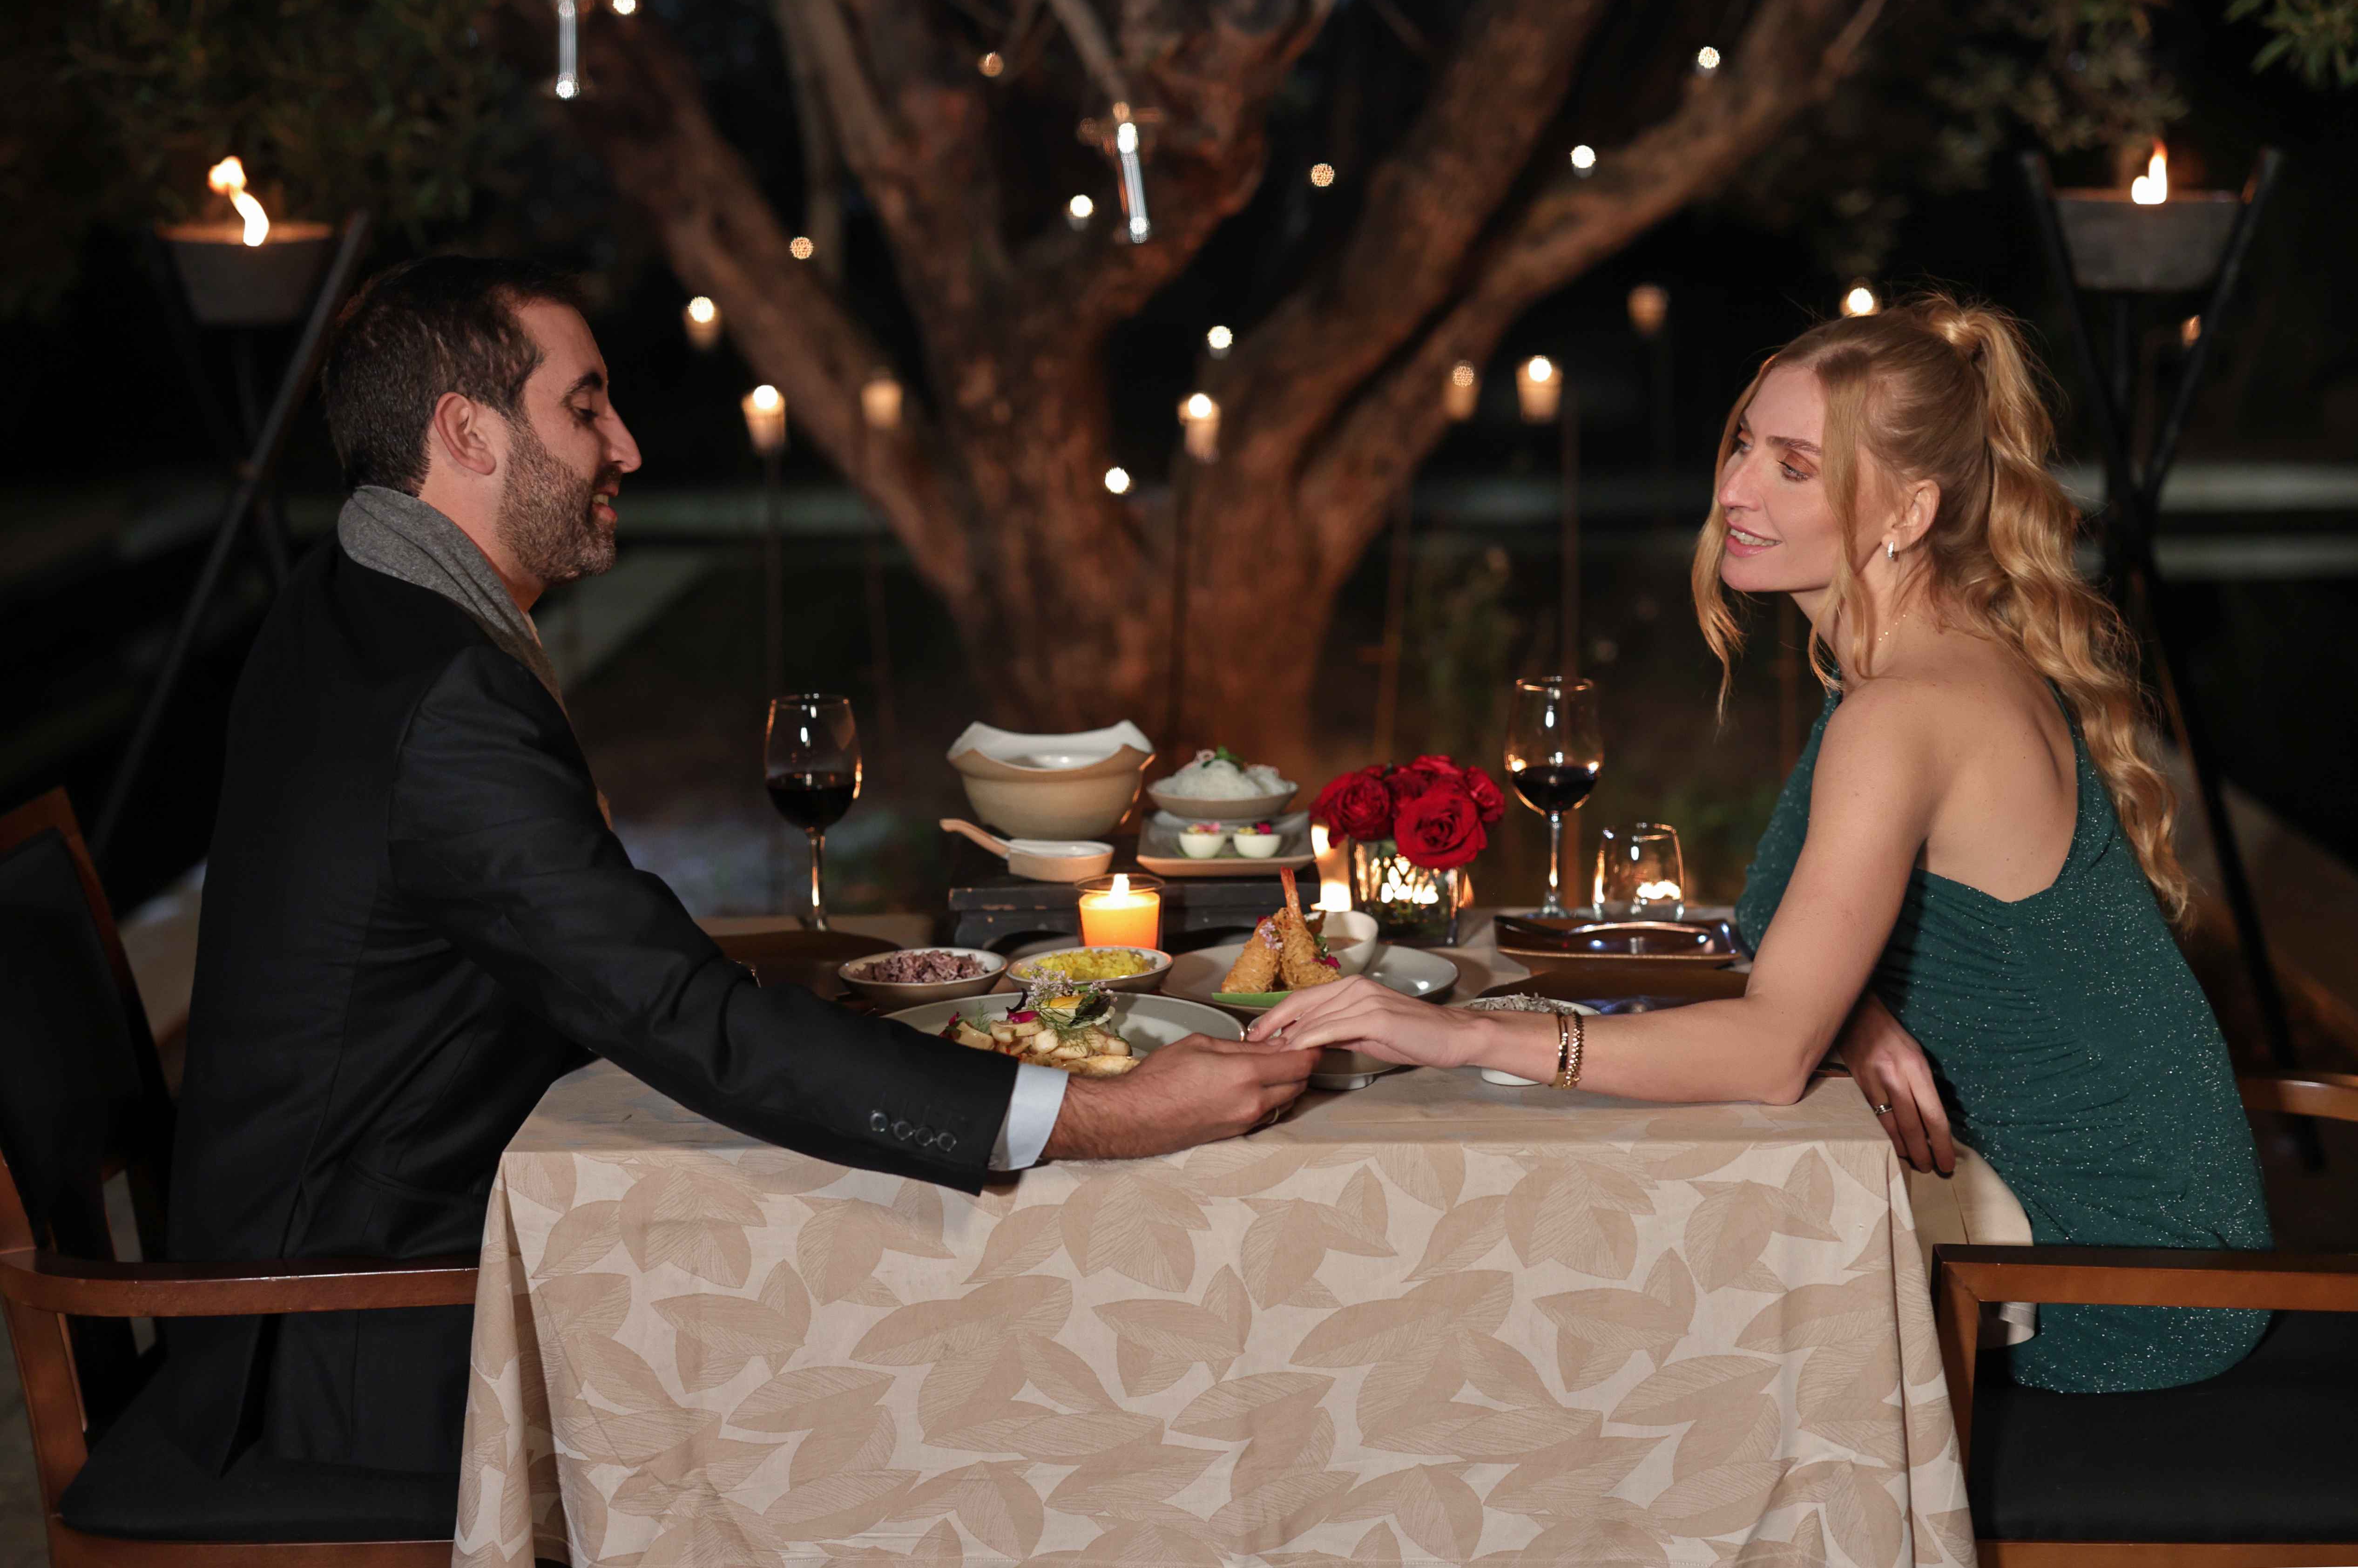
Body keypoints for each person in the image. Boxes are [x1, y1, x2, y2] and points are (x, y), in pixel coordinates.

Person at [152, 256, 1314, 1479]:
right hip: (356, 1339)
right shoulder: (439, 697)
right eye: (585, 406)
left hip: (358, 1255)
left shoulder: (350, 600)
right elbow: (676, 1017)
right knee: (906, 1376)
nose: (628, 447)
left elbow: (567, 958)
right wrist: (1104, 1111)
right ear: (466, 434)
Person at [1250, 295, 2270, 1394]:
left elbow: (1767, 1057)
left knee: (1595, 1339)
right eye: (1744, 445)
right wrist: (1860, 1009)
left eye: (1794, 466)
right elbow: (1868, 964)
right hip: (2050, 1235)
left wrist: (1459, 1037)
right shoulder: (1915, 662)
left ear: (1908, 511)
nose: (1734, 489)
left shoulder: (1905, 708)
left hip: (2108, 1283)